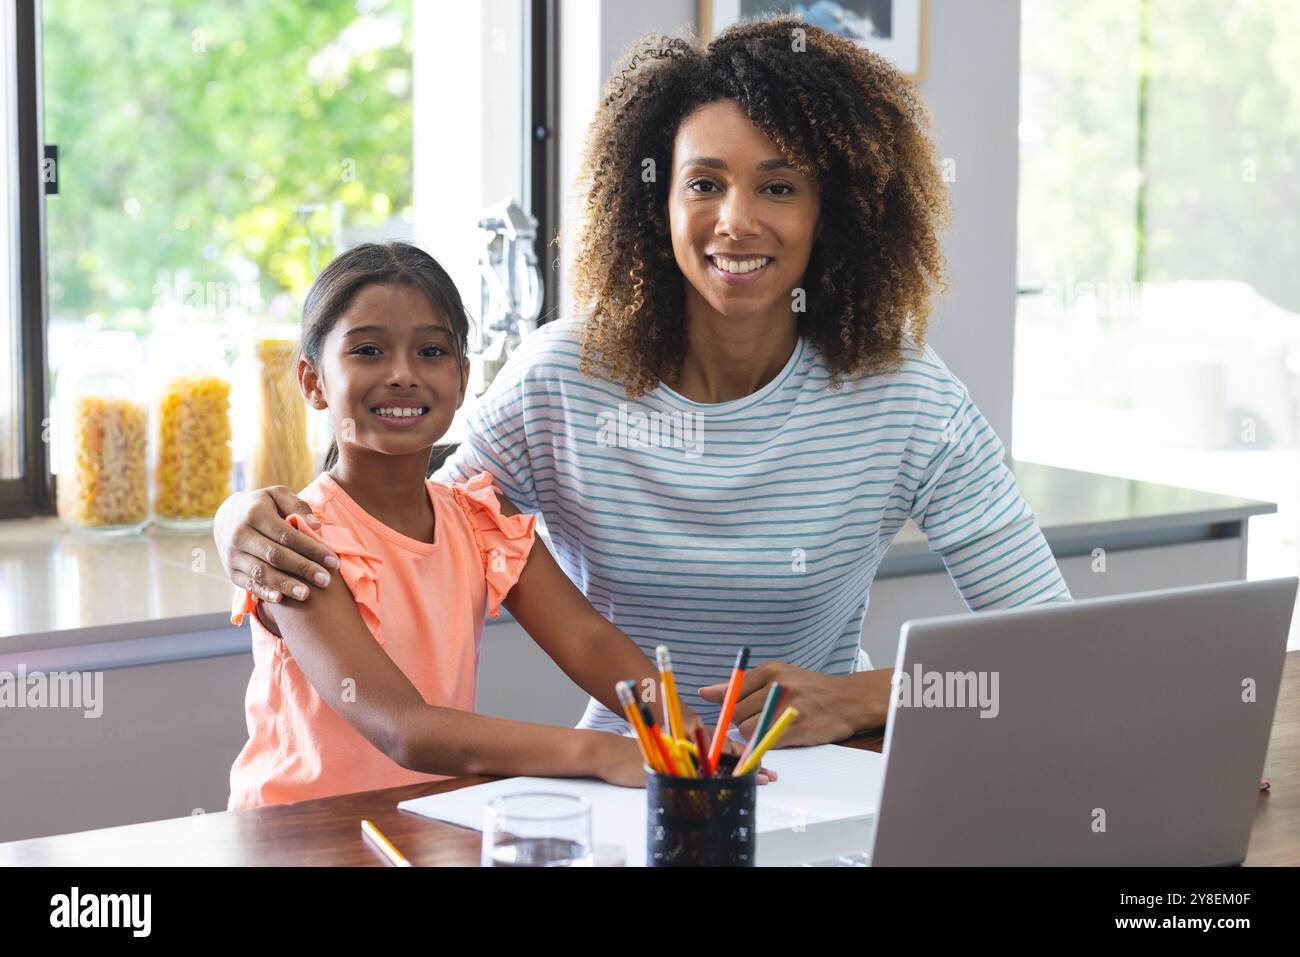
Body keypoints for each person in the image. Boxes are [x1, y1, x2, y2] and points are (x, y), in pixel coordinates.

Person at [216, 19, 1071, 754]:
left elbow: (1052, 648)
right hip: (630, 773)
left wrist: (862, 699)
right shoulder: (565, 377)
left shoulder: (907, 396)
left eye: (778, 186)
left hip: (822, 770)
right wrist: (238, 520)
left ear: (830, 211)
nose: (735, 220)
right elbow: (408, 533)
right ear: (657, 204)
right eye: (704, 183)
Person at [226, 241, 766, 809]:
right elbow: (404, 729)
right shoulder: (295, 545)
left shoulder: (481, 521)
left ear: (461, 379)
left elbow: (586, 639)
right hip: (297, 838)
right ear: (313, 382)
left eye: (431, 351)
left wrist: (677, 725)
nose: (403, 375)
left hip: (425, 823)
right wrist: (602, 753)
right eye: (368, 350)